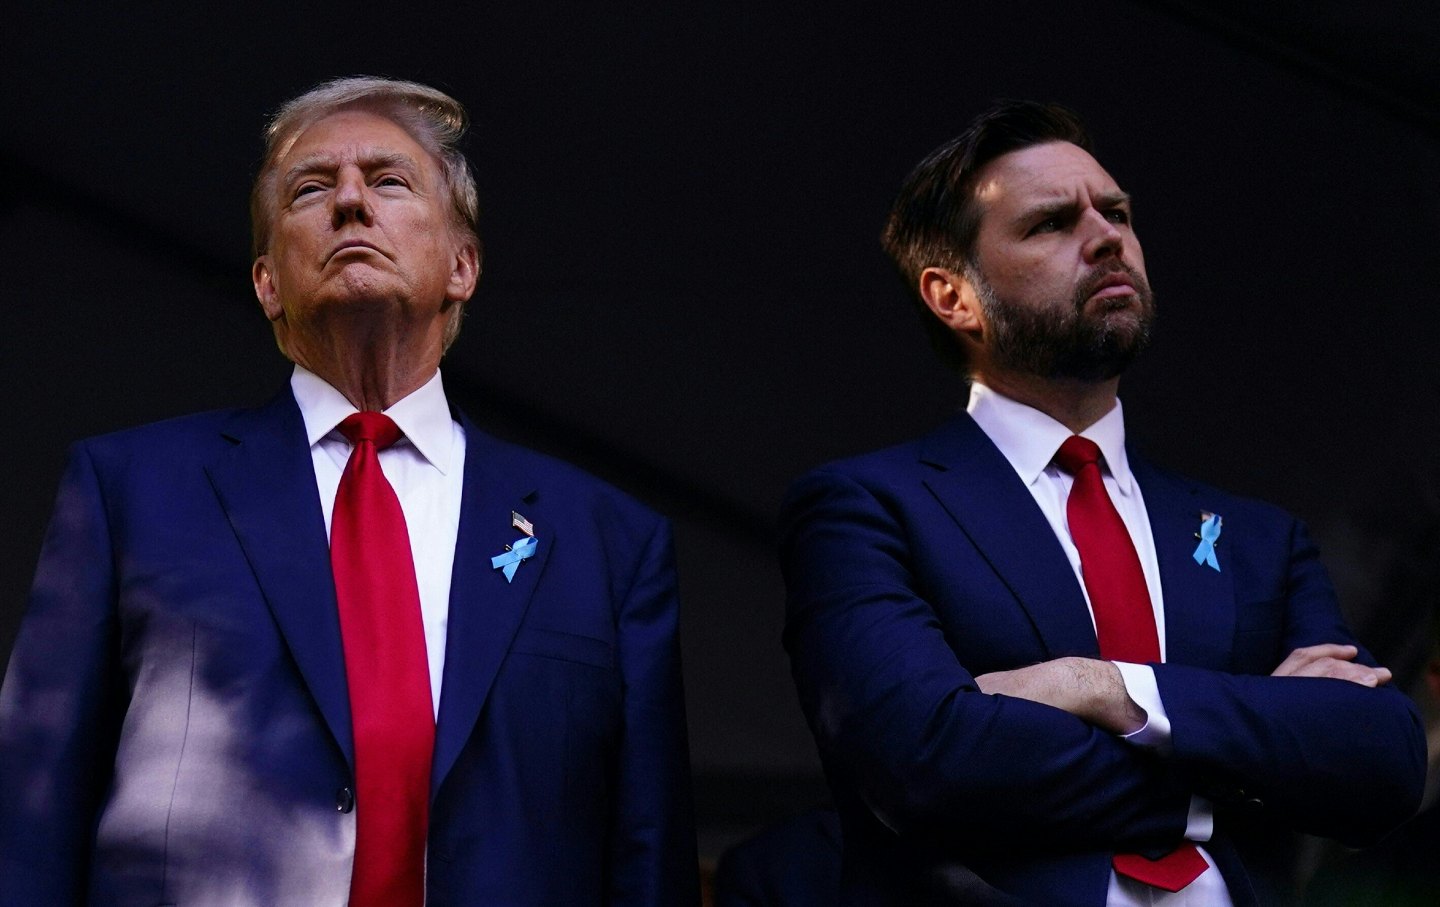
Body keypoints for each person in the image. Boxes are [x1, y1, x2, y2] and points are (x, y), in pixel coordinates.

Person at [0, 76, 698, 906]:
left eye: (389, 180)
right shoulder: (128, 492)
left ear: (464, 266)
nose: (351, 203)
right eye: (311, 189)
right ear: (266, 282)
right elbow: (29, 818)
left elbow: (649, 858)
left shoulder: (608, 540)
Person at [779, 100, 1425, 907]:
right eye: (1052, 223)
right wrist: (1259, 748)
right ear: (953, 297)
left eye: (1116, 212)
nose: (1107, 236)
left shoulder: (1258, 537)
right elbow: (924, 761)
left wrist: (1104, 689)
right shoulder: (866, 508)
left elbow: (1384, 762)